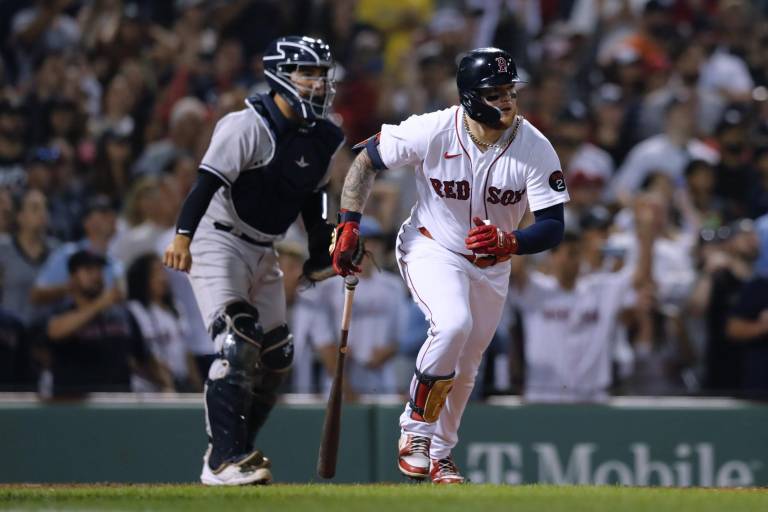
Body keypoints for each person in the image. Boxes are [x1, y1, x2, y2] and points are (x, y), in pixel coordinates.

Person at [331, 48, 569, 484]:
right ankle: (415, 433)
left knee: (469, 362)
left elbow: (554, 225)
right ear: (471, 97)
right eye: (496, 93)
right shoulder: (434, 129)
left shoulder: (535, 146)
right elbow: (365, 159)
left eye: (511, 91)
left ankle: (440, 454)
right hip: (432, 247)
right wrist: (348, 222)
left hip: (492, 262)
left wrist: (511, 241)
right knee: (453, 324)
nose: (508, 101)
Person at [163, 36, 345, 486]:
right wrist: (182, 236)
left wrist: (323, 252)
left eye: (322, 74)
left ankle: (237, 449)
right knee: (236, 339)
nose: (318, 83)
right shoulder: (246, 125)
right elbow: (204, 184)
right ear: (282, 75)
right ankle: (222, 458)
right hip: (217, 238)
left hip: (264, 246)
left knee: (277, 355)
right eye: (308, 73)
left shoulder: (321, 137)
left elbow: (314, 200)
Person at [44, 249, 170, 398]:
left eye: (99, 270)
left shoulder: (122, 314)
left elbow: (144, 356)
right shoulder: (62, 310)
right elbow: (55, 331)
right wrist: (100, 304)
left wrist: (167, 385)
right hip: (76, 405)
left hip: (117, 401)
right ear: (72, 277)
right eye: (88, 270)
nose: (96, 275)